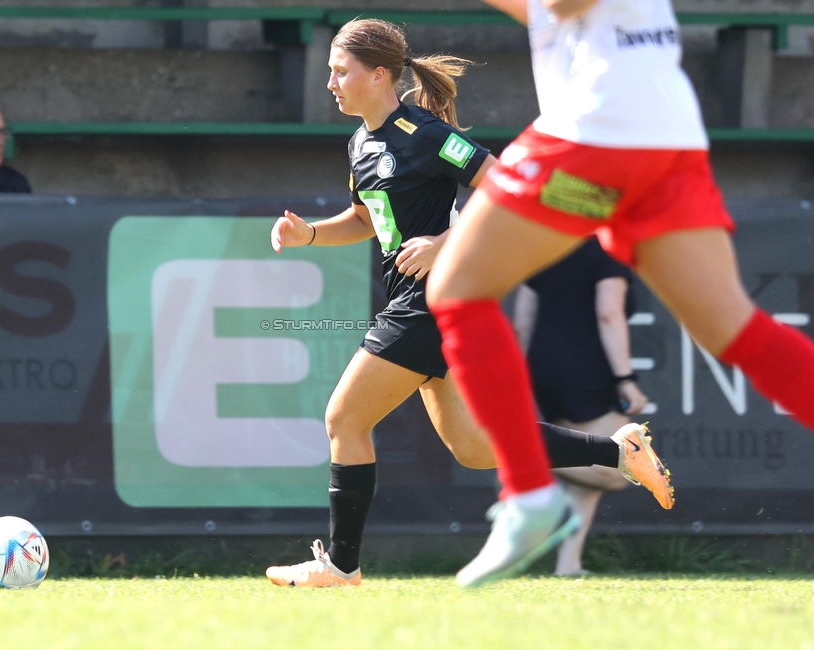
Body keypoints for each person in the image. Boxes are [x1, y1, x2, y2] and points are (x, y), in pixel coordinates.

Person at [263, 18, 672, 588]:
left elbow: (507, 186)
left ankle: (341, 564)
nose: (330, 82)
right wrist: (310, 234)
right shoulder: (361, 141)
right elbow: (365, 219)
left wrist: (445, 243)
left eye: (340, 70)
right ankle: (617, 450)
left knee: (343, 418)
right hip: (413, 300)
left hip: (431, 301)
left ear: (379, 74)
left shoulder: (426, 133)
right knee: (476, 448)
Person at [426, 0, 814, 588]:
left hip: (600, 132)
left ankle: (530, 493)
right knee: (734, 330)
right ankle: (531, 496)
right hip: (664, 137)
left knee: (456, 291)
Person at [513, 237, 663, 577]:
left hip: (545, 366)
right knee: (620, 466)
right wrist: (626, 379)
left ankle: (569, 564)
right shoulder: (611, 246)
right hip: (586, 369)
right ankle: (513, 459)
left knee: (589, 460)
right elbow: (609, 313)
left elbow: (523, 322)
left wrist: (523, 377)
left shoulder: (545, 245)